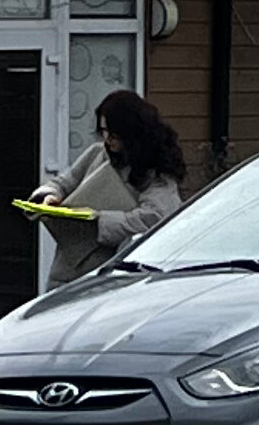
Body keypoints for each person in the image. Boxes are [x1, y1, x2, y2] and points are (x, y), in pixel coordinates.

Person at [35, 89, 187, 286]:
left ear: (132, 132)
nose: (108, 140)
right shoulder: (97, 153)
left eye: (114, 134)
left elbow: (154, 218)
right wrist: (47, 195)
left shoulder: (158, 171)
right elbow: (65, 182)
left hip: (114, 275)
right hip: (68, 267)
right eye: (103, 132)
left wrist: (98, 220)